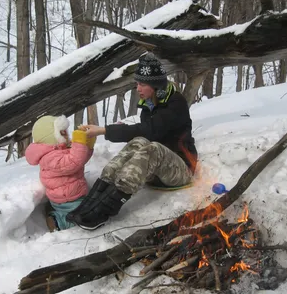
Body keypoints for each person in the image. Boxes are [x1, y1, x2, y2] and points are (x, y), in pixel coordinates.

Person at [66, 53, 198, 230]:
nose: (138, 88)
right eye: (137, 83)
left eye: (142, 84)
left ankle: (102, 212)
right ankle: (89, 206)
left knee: (153, 148)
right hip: (156, 170)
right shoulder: (149, 105)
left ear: (156, 85)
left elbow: (151, 130)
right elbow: (144, 134)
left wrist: (104, 130)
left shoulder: (176, 103)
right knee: (138, 142)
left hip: (181, 169)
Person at [25, 115, 96, 232]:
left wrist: (87, 144)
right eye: (62, 133)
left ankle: (57, 211)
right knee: (86, 217)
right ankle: (59, 221)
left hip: (72, 195)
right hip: (68, 200)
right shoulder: (49, 157)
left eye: (66, 132)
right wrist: (79, 143)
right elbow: (74, 162)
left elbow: (80, 160)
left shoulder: (60, 150)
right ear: (50, 137)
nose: (67, 135)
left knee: (90, 208)